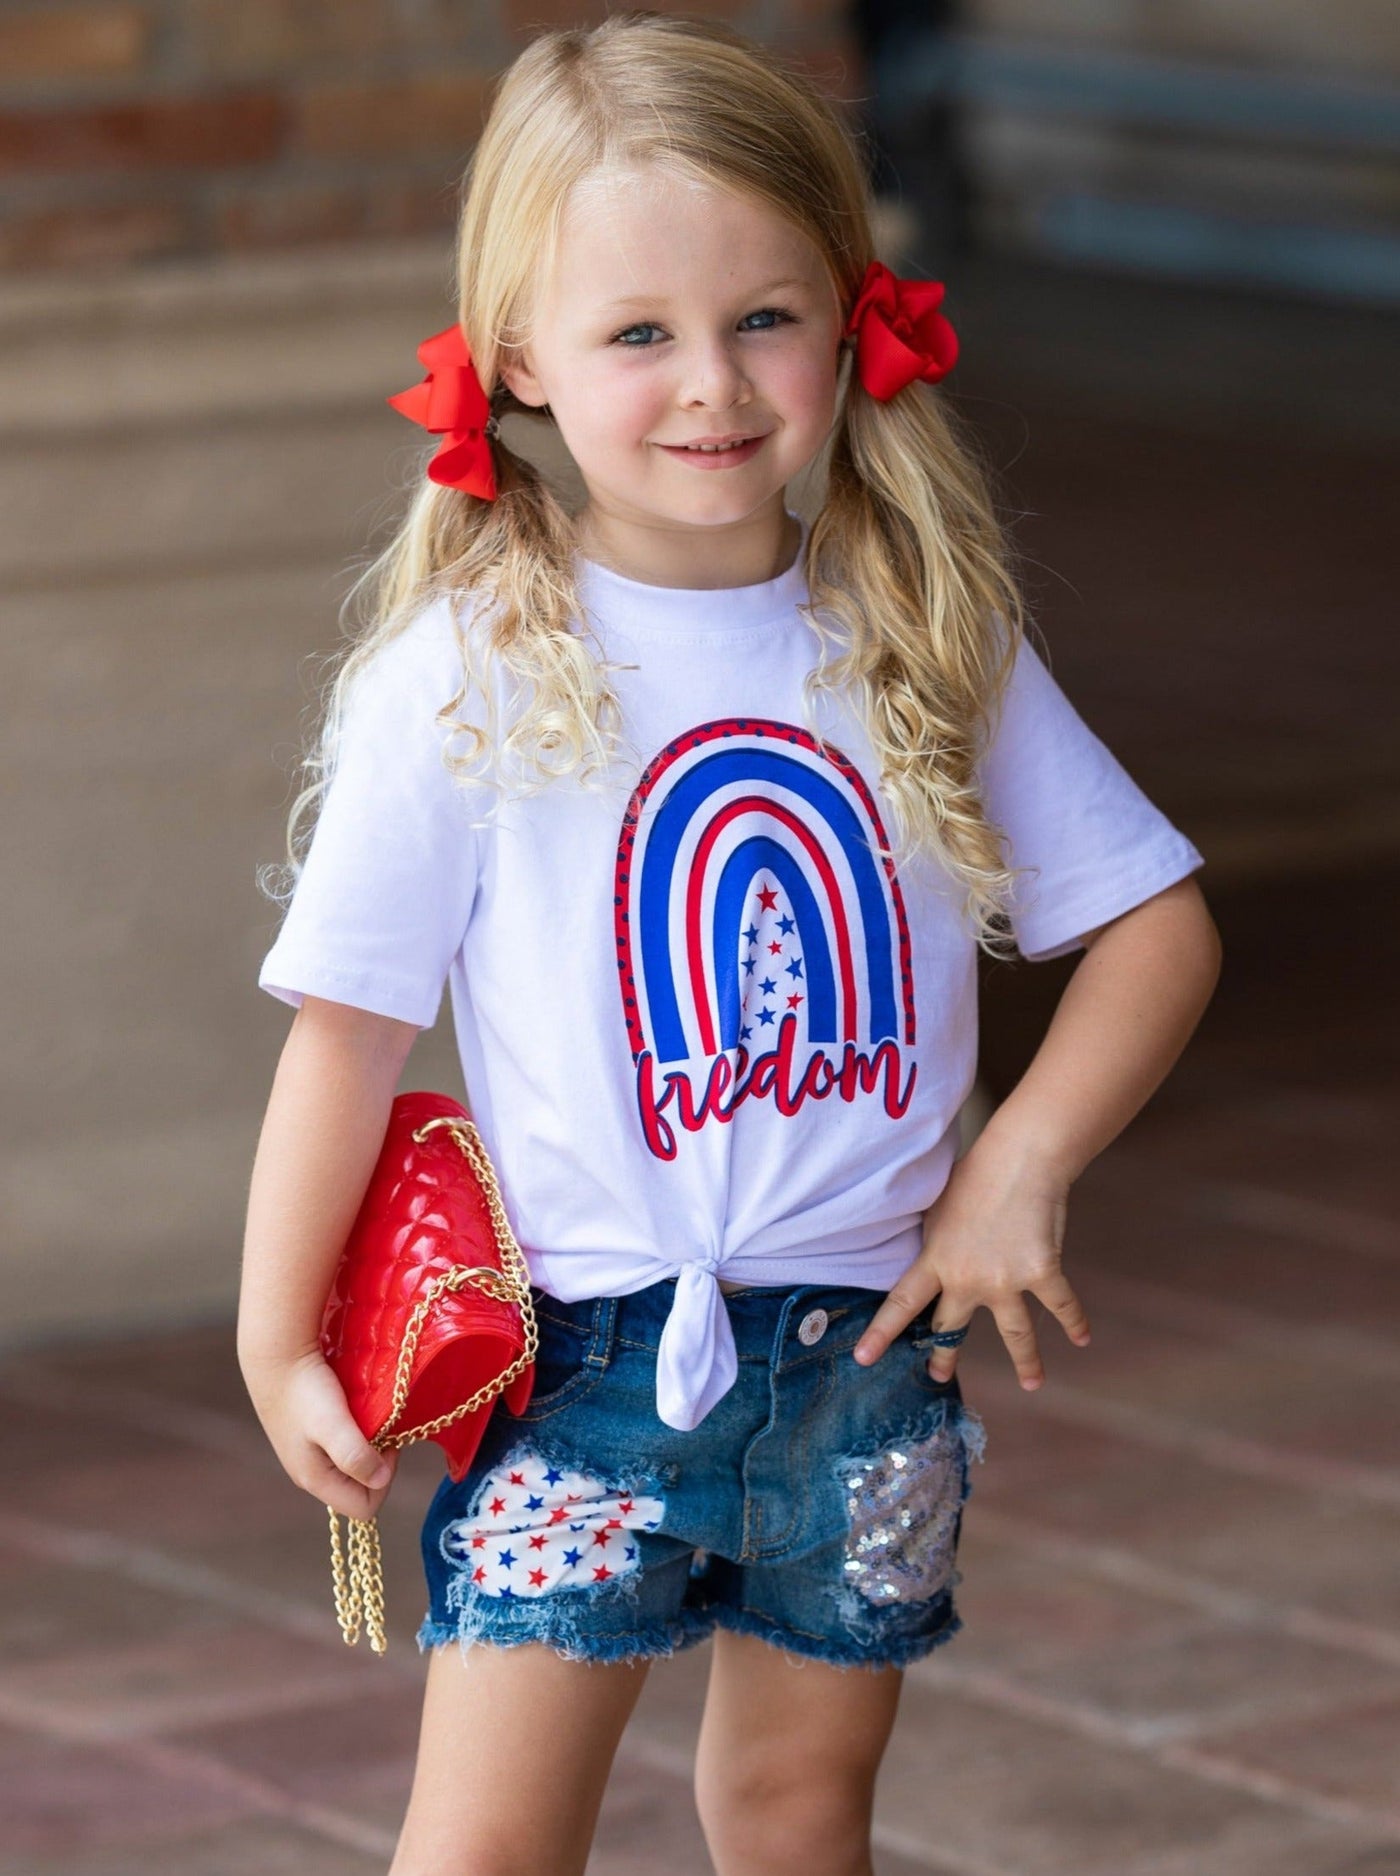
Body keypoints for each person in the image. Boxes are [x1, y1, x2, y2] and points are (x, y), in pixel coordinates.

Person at [238, 14, 1222, 1875]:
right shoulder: (466, 676)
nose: (714, 384)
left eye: (765, 317)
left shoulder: (919, 630)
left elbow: (1156, 928)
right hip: (586, 1372)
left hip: (872, 1357)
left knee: (793, 1807)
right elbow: (347, 1034)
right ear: (518, 356)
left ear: (853, 316)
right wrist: (275, 1332)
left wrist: (1018, 1166)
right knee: (487, 1845)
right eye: (638, 335)